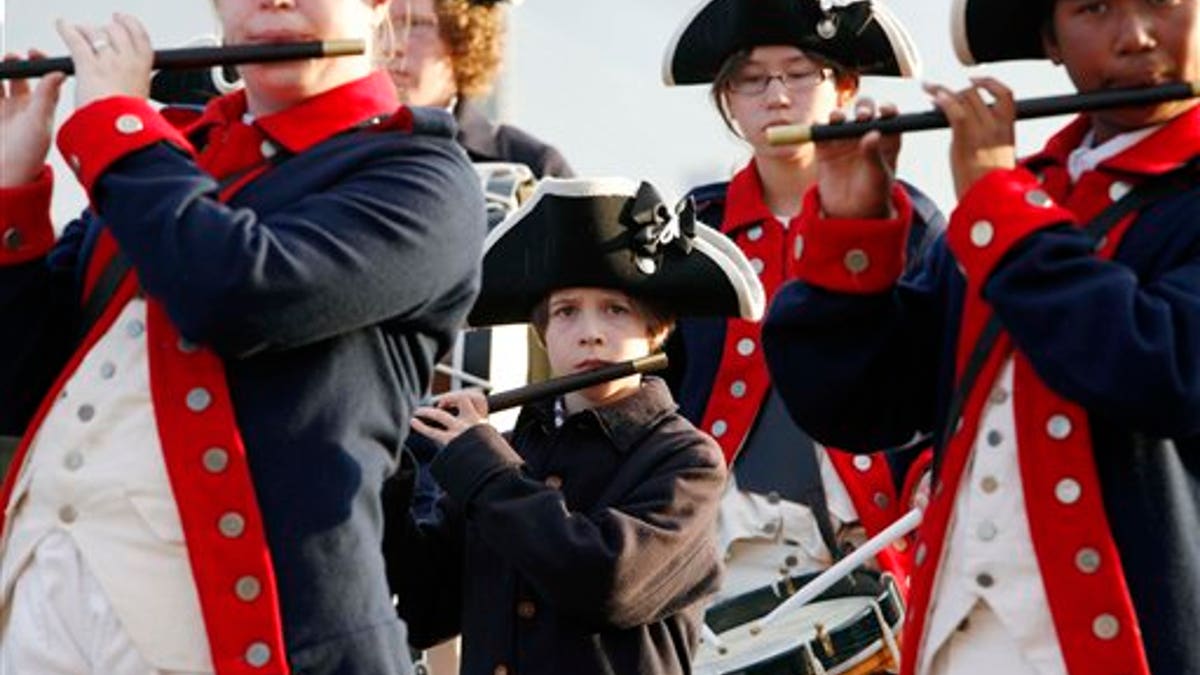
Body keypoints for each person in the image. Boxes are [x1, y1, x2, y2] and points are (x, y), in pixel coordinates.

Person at [0, 1, 485, 673]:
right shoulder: (166, 160)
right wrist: (14, 188)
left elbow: (238, 293)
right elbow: (17, 383)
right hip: (39, 610)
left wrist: (116, 124)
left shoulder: (422, 175)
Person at [761, 0, 1200, 673]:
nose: (1136, 38)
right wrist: (853, 226)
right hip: (956, 643)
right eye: (1096, 8)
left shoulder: (1008, 204)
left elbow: (1164, 369)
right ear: (1049, 39)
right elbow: (861, 408)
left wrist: (997, 198)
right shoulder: (1027, 195)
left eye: (1163, 2)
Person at [384, 177, 765, 675]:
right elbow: (425, 611)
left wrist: (481, 465)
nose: (590, 334)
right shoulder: (501, 450)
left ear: (657, 332)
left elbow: (608, 586)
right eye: (566, 312)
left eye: (615, 310)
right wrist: (389, 470)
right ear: (541, 335)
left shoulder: (687, 459)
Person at [658, 0, 943, 628]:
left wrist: (931, 475)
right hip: (714, 548)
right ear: (727, 97)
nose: (777, 96)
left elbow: (945, 388)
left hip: (868, 541)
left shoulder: (910, 224)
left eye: (799, 73)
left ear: (844, 85)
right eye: (751, 79)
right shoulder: (689, 231)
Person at [386, 0, 571, 178]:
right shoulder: (358, 148)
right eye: (381, 26)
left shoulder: (533, 166)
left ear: (466, 35)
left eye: (416, 24)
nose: (390, 46)